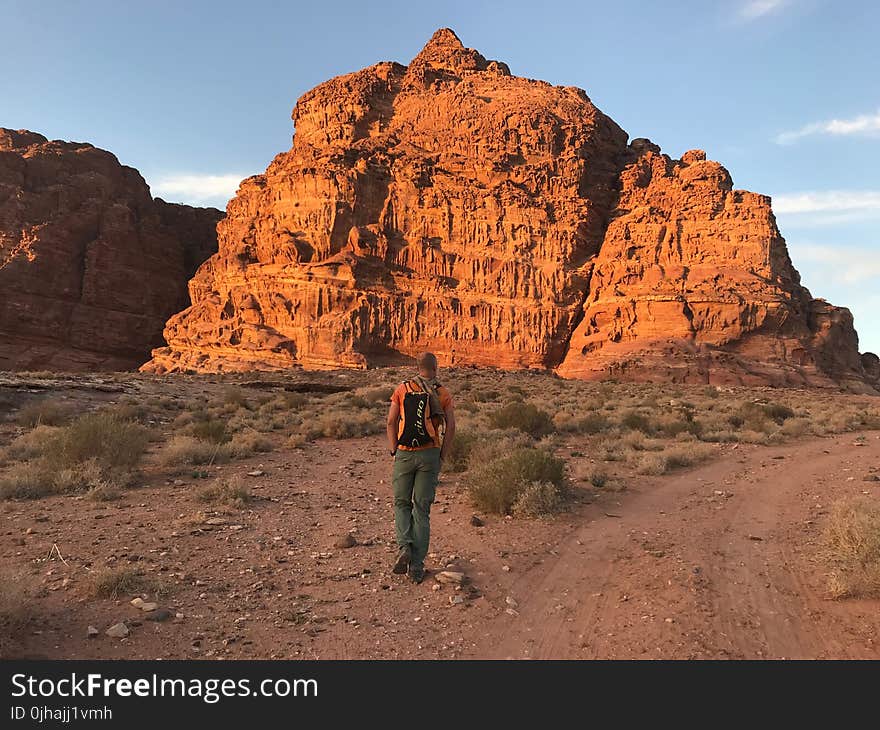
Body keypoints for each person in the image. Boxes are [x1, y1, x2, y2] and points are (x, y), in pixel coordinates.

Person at [385, 352, 455, 583]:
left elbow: (391, 422)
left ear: (417, 367)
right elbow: (451, 426)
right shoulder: (443, 392)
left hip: (405, 453)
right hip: (430, 454)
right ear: (435, 367)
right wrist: (441, 456)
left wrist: (395, 450)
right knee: (421, 508)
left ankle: (404, 546)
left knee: (402, 503)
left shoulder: (402, 389)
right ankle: (416, 565)